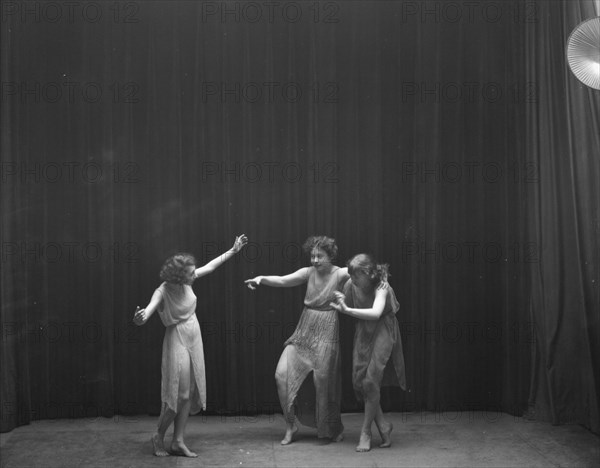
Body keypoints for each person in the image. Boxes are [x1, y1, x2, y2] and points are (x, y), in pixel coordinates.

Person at [133, 234, 248, 457]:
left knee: (188, 391)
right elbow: (147, 311)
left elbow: (211, 267)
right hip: (176, 336)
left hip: (194, 334)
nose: (194, 274)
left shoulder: (189, 280)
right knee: (179, 395)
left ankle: (178, 441)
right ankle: (158, 434)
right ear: (178, 276)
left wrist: (233, 250)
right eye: (190, 272)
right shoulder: (163, 290)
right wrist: (140, 317)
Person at [244, 235, 349, 445]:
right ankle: (290, 424)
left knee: (323, 383)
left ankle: (331, 427)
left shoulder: (340, 273)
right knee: (281, 375)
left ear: (331, 256)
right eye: (312, 256)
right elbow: (283, 280)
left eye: (320, 256)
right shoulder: (308, 272)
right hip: (304, 328)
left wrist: (380, 279)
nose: (315, 260)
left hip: (327, 329)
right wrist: (262, 278)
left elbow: (362, 271)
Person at [330, 253, 406, 452]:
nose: (353, 280)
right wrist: (340, 298)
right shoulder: (351, 284)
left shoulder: (382, 287)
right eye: (352, 276)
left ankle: (365, 432)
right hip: (364, 331)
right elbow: (342, 295)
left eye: (356, 276)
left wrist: (346, 310)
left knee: (371, 381)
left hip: (383, 329)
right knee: (363, 383)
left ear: (370, 274)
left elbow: (375, 313)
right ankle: (383, 426)